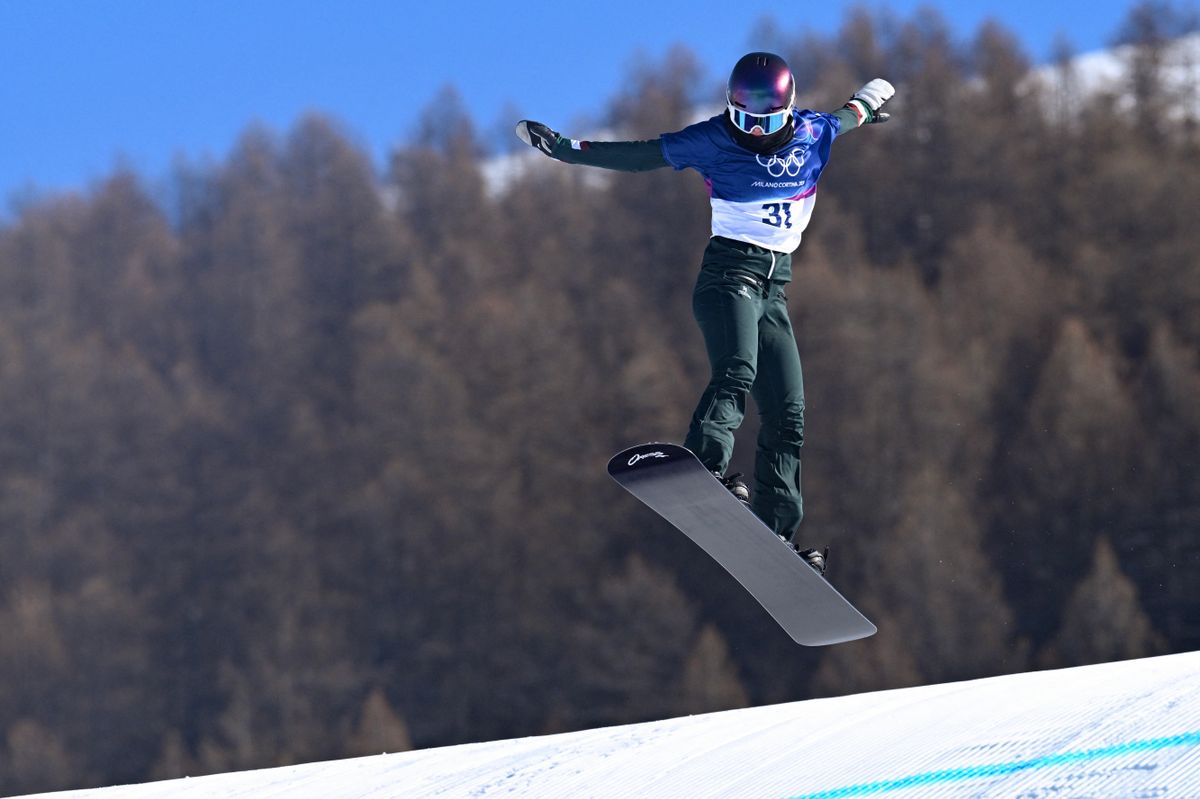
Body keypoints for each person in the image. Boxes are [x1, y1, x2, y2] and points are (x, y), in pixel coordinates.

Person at [516, 52, 894, 574]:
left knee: (789, 413)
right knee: (738, 369)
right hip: (728, 275)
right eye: (743, 120)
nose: (753, 133)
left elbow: (847, 118)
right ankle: (705, 465)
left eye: (765, 122)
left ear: (789, 110)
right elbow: (641, 155)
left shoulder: (815, 131)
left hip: (773, 288)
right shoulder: (713, 139)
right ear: (728, 108)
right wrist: (566, 150)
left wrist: (867, 104)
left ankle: (776, 531)